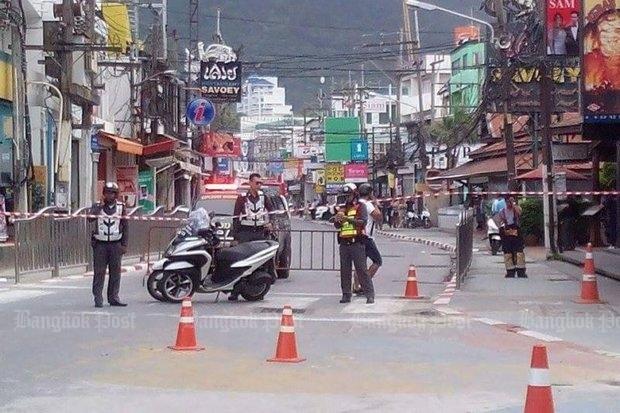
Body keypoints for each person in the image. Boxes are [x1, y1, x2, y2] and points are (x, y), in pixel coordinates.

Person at [231, 173, 275, 300]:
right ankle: (235, 290)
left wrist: (270, 222)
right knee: (241, 262)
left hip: (259, 232)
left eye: (260, 183)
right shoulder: (242, 198)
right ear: (250, 183)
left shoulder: (263, 197)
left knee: (261, 259)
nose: (259, 185)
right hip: (245, 233)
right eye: (257, 183)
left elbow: (272, 212)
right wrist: (235, 237)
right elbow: (235, 218)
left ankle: (259, 286)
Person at [333, 183, 374, 304]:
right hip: (344, 244)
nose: (347, 198)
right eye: (345, 195)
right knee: (345, 271)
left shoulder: (361, 206)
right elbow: (337, 226)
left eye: (349, 195)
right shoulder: (342, 208)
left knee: (361, 270)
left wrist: (347, 219)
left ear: (354, 194)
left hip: (357, 242)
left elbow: (362, 222)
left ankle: (369, 294)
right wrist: (337, 219)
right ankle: (346, 294)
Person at [89, 182, 128, 308]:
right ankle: (98, 297)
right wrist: (99, 206)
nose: (109, 195)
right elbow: (90, 218)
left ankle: (113, 297)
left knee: (115, 272)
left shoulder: (121, 207)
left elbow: (125, 226)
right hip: (100, 244)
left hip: (116, 244)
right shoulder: (97, 206)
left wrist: (124, 245)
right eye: (107, 192)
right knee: (99, 272)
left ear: (116, 195)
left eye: (112, 193)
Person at [353, 183, 383, 295]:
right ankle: (364, 284)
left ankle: (356, 286)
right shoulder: (368, 205)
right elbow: (378, 216)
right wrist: (375, 204)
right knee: (377, 261)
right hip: (366, 237)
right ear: (370, 193)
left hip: (357, 236)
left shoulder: (356, 204)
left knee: (360, 264)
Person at [498, 197, 527, 278]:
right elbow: (500, 221)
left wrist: (514, 205)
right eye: (507, 201)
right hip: (506, 233)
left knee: (519, 252)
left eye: (511, 201)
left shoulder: (516, 209)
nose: (509, 203)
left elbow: (519, 212)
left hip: (516, 232)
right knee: (507, 252)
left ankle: (521, 271)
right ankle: (510, 271)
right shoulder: (502, 211)